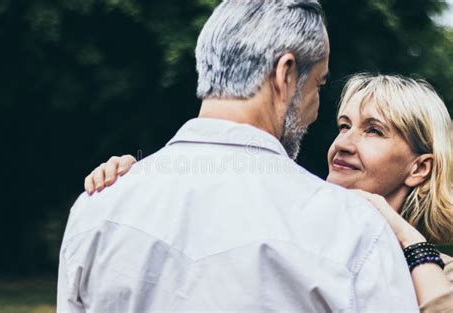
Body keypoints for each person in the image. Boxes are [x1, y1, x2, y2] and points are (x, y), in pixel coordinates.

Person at [58, 1, 419, 312]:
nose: (315, 108)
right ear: (286, 73)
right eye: (319, 86)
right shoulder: (351, 229)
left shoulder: (97, 210)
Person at [88, 74, 453, 312]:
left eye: (373, 130)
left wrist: (402, 234)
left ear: (419, 167)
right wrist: (138, 181)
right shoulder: (290, 222)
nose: (344, 143)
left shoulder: (444, 275)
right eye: (344, 126)